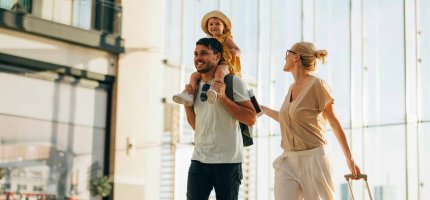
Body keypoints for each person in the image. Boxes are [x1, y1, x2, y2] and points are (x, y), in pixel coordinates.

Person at [261, 42, 361, 200]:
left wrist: (350, 159)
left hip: (314, 160)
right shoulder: (291, 88)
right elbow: (287, 120)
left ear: (296, 57)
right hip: (288, 160)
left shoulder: (317, 85)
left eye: (287, 52)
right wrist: (263, 109)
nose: (284, 56)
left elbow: (334, 123)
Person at [183, 37, 256, 200]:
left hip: (228, 162)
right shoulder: (194, 86)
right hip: (199, 160)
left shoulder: (233, 82)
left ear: (217, 57)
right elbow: (197, 126)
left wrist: (223, 98)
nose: (198, 58)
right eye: (195, 54)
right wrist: (187, 104)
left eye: (203, 53)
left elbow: (251, 118)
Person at [173, 10, 241, 105]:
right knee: (194, 76)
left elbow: (237, 48)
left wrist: (236, 52)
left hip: (225, 63)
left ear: (224, 27)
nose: (214, 26)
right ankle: (189, 93)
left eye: (217, 24)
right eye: (211, 24)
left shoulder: (226, 38)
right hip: (213, 64)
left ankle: (215, 89)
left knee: (220, 72)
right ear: (208, 28)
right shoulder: (209, 41)